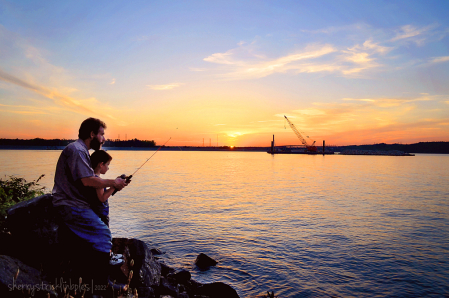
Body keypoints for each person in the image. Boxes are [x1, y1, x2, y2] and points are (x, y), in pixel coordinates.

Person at [52, 117, 128, 293]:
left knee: (96, 237)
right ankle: (102, 284)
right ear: (92, 134)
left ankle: (90, 280)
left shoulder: (81, 151)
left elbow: (90, 181)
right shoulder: (77, 150)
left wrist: (114, 186)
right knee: (103, 234)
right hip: (70, 205)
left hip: (75, 204)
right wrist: (114, 182)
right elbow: (88, 181)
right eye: (101, 134)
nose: (103, 139)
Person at [90, 150, 115, 227]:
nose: (108, 168)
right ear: (101, 164)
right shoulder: (98, 181)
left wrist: (113, 187)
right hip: (100, 215)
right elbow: (102, 198)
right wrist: (114, 186)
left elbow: (101, 194)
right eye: (107, 164)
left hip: (95, 214)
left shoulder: (91, 177)